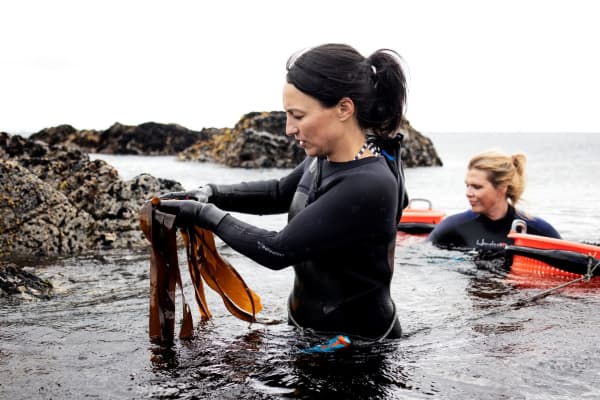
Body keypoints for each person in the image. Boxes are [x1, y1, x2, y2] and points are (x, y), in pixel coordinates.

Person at [157, 43, 409, 341]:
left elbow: (277, 250)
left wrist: (204, 215)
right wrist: (210, 192)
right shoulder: (322, 158)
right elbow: (279, 192)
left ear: (344, 108)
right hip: (309, 332)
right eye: (287, 115)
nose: (289, 129)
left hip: (358, 348)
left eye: (298, 116)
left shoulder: (368, 183)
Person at [427, 149, 561, 249]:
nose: (468, 193)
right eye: (467, 185)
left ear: (502, 187)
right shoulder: (453, 227)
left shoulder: (538, 230)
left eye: (477, 187)